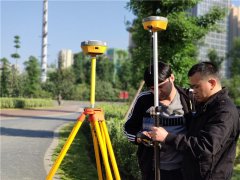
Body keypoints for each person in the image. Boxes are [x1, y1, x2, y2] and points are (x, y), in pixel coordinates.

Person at [149, 62, 239, 180]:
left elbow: (205, 146)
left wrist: (167, 137)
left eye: (197, 86)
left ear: (212, 83)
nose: (193, 91)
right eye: (191, 86)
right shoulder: (206, 105)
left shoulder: (224, 111)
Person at [123, 61, 195, 180]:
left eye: (161, 86)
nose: (157, 92)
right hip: (152, 168)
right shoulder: (144, 100)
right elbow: (128, 128)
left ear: (172, 77)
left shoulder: (190, 98)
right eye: (152, 88)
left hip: (183, 169)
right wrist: (138, 137)